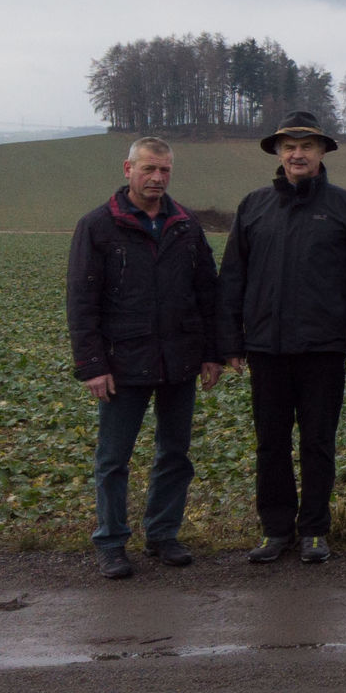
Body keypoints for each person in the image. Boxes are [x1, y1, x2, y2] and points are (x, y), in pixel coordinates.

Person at [218, 111, 346, 565]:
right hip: (265, 348)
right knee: (270, 442)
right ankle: (274, 530)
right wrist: (231, 342)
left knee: (318, 442)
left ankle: (314, 531)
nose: (297, 153)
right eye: (289, 145)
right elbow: (233, 277)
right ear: (278, 152)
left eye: (307, 145)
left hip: (323, 348)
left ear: (323, 151)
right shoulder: (254, 206)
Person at [66, 137, 221, 579]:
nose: (157, 178)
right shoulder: (97, 226)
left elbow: (206, 293)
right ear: (127, 168)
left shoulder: (186, 225)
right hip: (121, 362)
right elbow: (81, 301)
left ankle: (163, 534)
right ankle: (112, 542)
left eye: (165, 171)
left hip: (179, 359)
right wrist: (92, 365)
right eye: (149, 169)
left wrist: (210, 353)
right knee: (113, 458)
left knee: (175, 453)